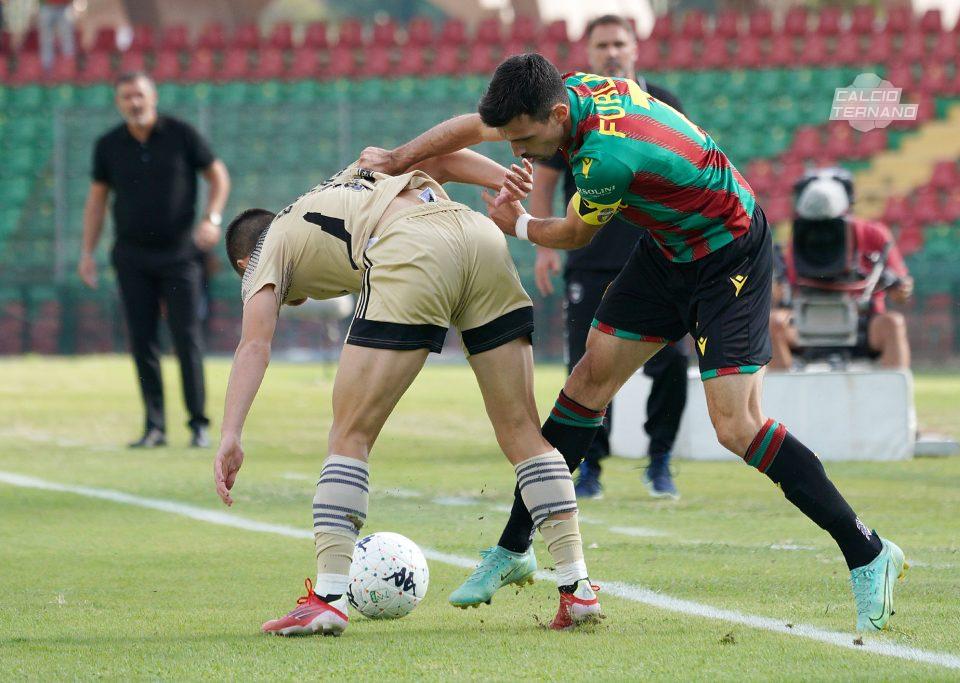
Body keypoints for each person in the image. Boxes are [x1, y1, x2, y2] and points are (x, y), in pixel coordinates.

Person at [357, 53, 908, 632]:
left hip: (731, 254)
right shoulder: (560, 95)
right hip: (669, 250)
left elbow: (571, 233)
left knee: (737, 426)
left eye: (524, 140)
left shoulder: (604, 159)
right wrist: (397, 158)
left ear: (552, 114)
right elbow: (474, 125)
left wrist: (514, 223)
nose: (518, 152)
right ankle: (515, 546)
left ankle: (867, 551)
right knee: (586, 384)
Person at [213, 149, 602, 635]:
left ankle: (330, 598)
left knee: (349, 435)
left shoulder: (261, 256)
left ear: (244, 262)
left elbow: (254, 345)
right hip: (478, 235)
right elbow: (444, 156)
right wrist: (506, 178)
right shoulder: (349, 180)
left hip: (411, 247)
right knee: (524, 432)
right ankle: (577, 586)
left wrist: (230, 433)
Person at [532, 14, 688, 500]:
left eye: (619, 43)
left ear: (636, 48)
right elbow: (546, 177)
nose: (612, 52)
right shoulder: (571, 107)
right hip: (590, 256)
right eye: (602, 45)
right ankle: (589, 468)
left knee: (672, 360)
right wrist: (543, 244)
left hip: (659, 255)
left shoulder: (662, 102)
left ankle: (660, 460)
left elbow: (686, 165)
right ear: (589, 52)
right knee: (587, 364)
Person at [78, 72, 230, 448]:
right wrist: (87, 252)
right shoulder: (108, 145)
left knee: (186, 337)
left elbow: (218, 176)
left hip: (181, 255)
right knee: (142, 341)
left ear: (153, 97)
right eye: (126, 97)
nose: (134, 102)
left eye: (140, 95)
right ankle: (155, 426)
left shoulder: (181, 135)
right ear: (118, 102)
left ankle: (198, 424)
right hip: (131, 257)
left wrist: (212, 218)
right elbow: (97, 201)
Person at [769, 172, 914, 370]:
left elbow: (901, 291)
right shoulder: (800, 237)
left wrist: (900, 286)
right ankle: (782, 397)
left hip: (862, 323)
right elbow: (786, 291)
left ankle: (894, 397)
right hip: (807, 321)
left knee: (893, 324)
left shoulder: (874, 233)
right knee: (774, 324)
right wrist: (776, 292)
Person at [38, 0, 75, 71]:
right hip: (46, 6)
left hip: (64, 7)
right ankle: (46, 69)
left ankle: (69, 67)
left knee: (67, 38)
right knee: (46, 39)